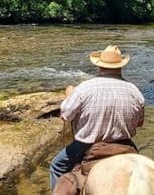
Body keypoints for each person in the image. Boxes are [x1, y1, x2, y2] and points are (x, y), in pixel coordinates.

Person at [49, 45, 145, 192]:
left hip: (87, 144)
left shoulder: (85, 88)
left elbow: (65, 115)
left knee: (57, 166)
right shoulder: (135, 91)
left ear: (100, 66)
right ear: (120, 67)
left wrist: (69, 95)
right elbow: (139, 123)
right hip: (124, 144)